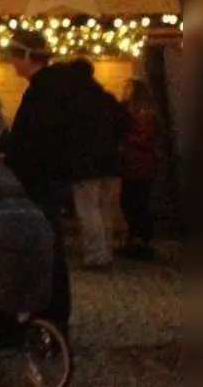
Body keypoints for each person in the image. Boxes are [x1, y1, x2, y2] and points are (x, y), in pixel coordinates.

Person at [3, 30, 76, 338]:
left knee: (44, 249)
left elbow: (33, 142)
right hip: (49, 179)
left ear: (28, 57)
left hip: (39, 182)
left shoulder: (42, 93)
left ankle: (49, 315)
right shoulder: (54, 88)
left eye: (14, 57)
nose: (11, 63)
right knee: (48, 246)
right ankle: (50, 315)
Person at [66, 58, 123, 269]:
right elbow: (124, 123)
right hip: (111, 161)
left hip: (85, 163)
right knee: (106, 209)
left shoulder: (74, 102)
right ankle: (107, 250)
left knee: (88, 209)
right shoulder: (106, 98)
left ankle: (96, 255)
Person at [117, 78, 162, 262]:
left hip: (136, 165)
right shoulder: (149, 114)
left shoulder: (142, 116)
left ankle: (139, 241)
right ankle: (140, 240)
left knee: (134, 203)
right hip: (142, 165)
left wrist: (125, 141)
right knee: (138, 203)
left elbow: (143, 140)